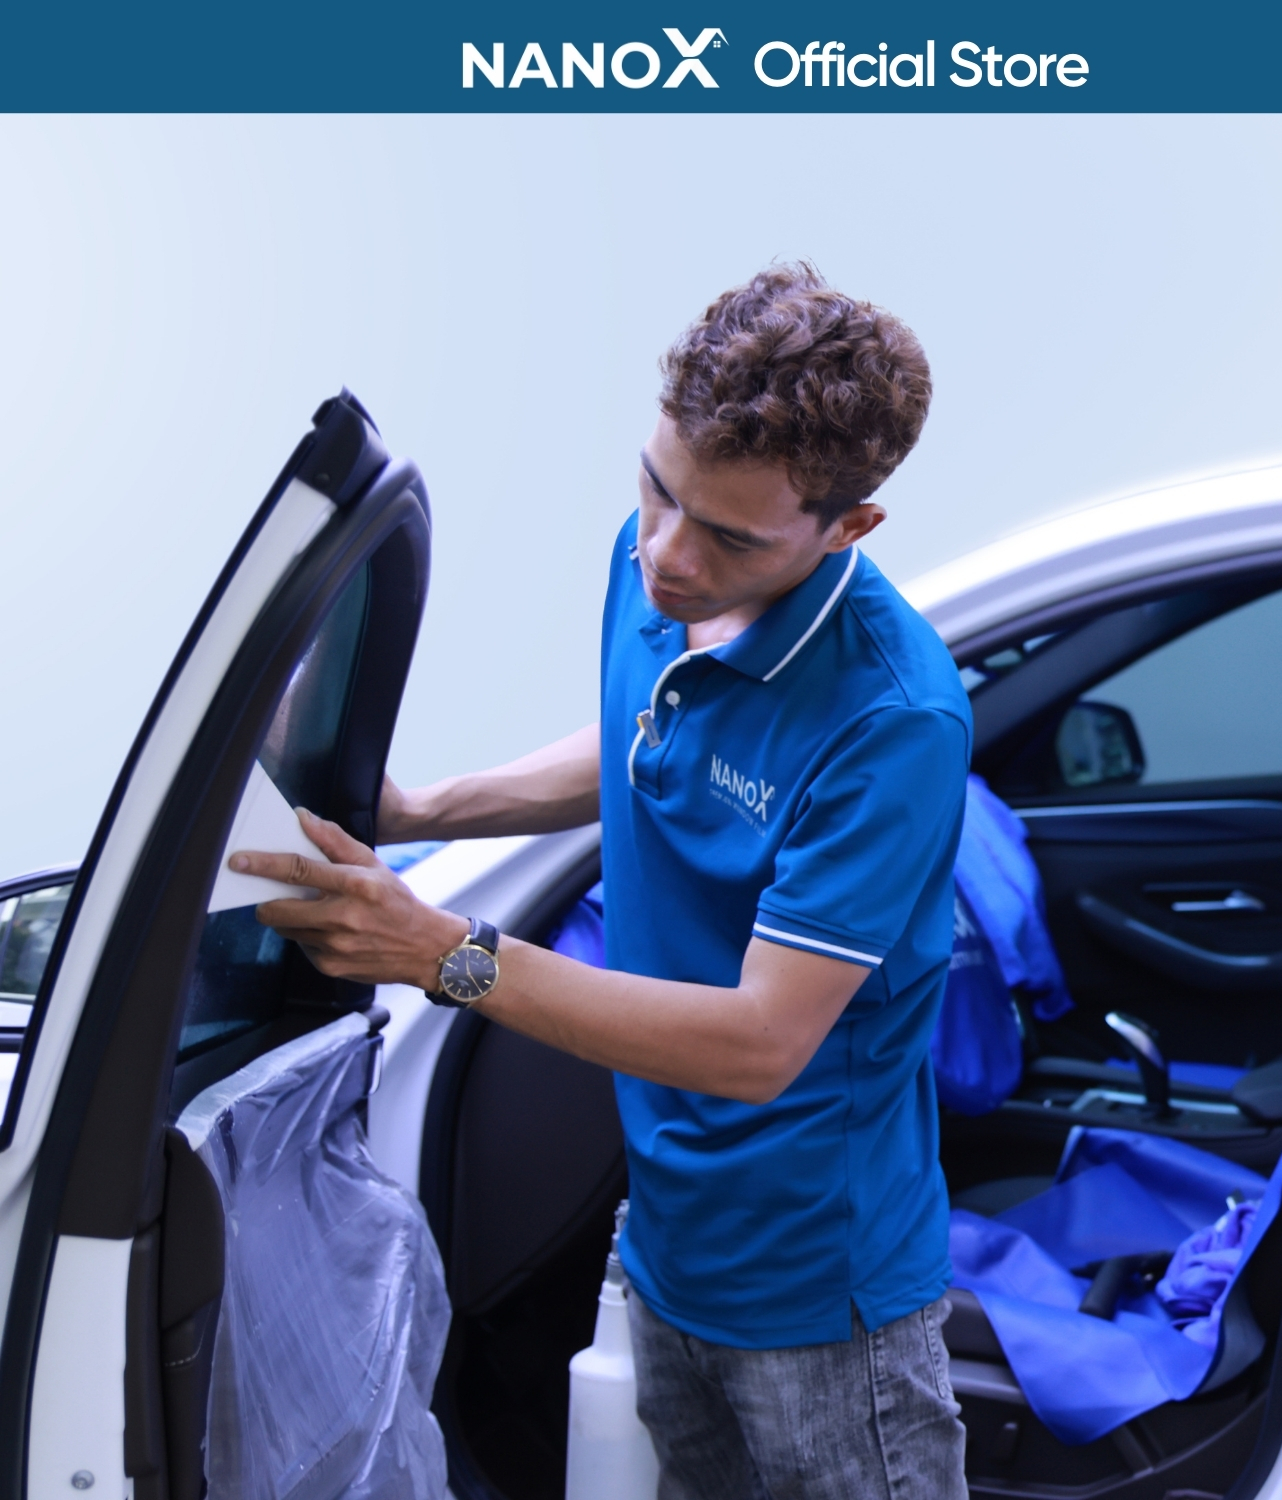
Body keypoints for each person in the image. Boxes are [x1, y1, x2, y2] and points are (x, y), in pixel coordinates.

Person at [234, 263, 972, 1499]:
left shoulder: (890, 719)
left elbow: (758, 1044)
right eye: (658, 489)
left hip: (818, 1288)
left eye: (730, 536)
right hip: (665, 1227)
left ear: (848, 529)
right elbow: (658, 739)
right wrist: (426, 811)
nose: (668, 554)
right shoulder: (660, 565)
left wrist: (442, 954)